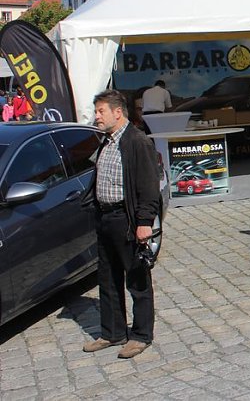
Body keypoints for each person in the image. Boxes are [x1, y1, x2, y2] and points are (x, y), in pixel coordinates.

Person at [83, 89, 161, 359]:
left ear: (117, 112)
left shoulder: (137, 141)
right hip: (105, 218)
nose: (97, 116)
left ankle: (140, 335)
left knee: (137, 280)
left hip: (126, 219)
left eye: (101, 111)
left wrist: (144, 222)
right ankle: (112, 332)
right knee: (107, 278)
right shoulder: (106, 141)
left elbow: (149, 186)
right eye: (96, 111)